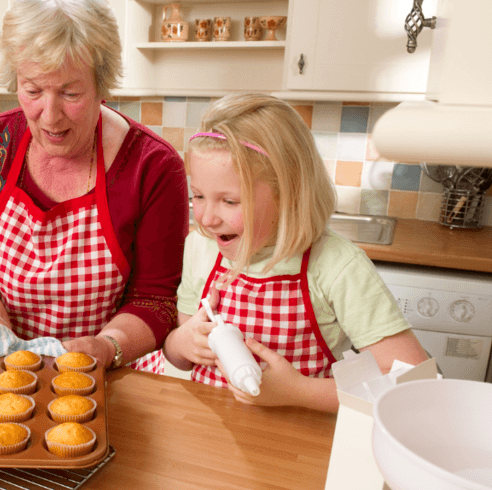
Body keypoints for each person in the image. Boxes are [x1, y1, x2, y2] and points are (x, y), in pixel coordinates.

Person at [0, 0, 189, 369]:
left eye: (71, 94)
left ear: (102, 85)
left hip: (106, 376)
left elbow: (154, 299)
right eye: (33, 90)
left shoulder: (152, 167)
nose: (51, 116)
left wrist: (107, 347)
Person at [158, 93, 428, 412]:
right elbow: (180, 352)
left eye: (229, 201)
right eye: (199, 196)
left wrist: (299, 391)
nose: (206, 218)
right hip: (211, 444)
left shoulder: (335, 266)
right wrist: (179, 342)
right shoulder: (200, 248)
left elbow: (413, 382)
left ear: (289, 196)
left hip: (299, 450)